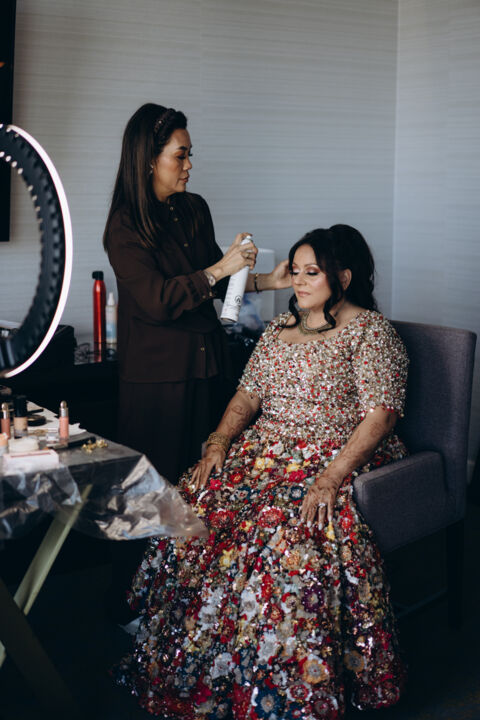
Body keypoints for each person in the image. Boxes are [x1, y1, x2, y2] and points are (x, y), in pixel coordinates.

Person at [114, 224, 409, 719]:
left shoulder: (370, 331)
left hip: (330, 453)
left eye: (311, 273)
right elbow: (248, 395)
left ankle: (280, 685)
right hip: (264, 451)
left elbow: (381, 416)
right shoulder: (278, 329)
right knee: (198, 502)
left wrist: (330, 478)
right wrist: (218, 443)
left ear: (343, 277)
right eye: (295, 271)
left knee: (281, 538)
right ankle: (206, 660)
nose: (298, 281)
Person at [103, 103, 290, 624]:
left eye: (190, 155)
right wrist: (220, 268)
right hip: (157, 382)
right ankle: (133, 608)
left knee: (204, 489)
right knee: (150, 498)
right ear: (149, 160)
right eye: (180, 155)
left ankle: (190, 607)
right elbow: (160, 300)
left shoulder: (193, 209)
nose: (189, 165)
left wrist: (265, 280)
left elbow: (213, 286)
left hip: (207, 365)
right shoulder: (123, 227)